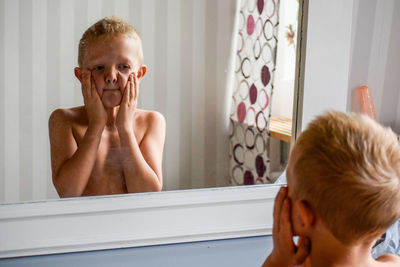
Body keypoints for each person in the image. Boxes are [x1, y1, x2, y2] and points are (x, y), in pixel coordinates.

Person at [263, 111, 400, 267]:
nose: (285, 192)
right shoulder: (392, 261)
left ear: (304, 215)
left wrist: (278, 260)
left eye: (289, 187)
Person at [49, 16, 165, 198]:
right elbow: (68, 192)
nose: (111, 76)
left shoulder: (151, 122)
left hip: (136, 226)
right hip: (83, 227)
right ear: (81, 76)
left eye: (124, 66)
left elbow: (147, 194)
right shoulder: (64, 121)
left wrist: (125, 128)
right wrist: (96, 124)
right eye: (99, 68)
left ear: (140, 74)